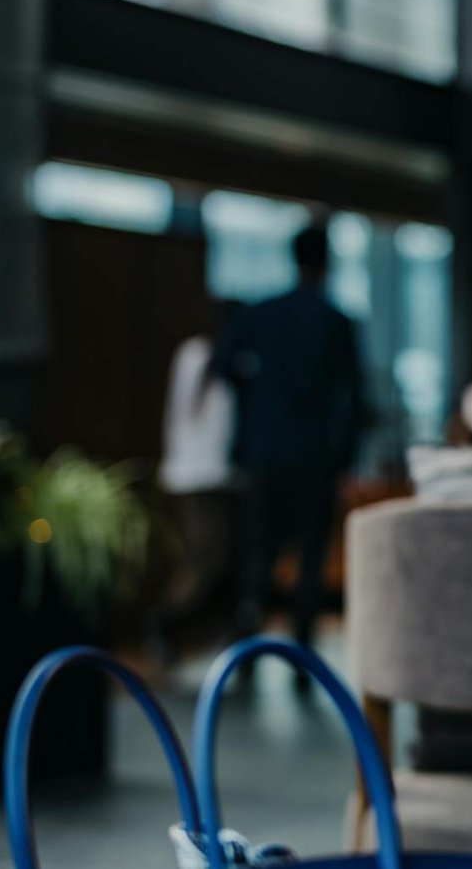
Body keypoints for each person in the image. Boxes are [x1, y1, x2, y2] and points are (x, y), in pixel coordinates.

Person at [217, 225, 366, 654]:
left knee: (257, 554)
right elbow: (354, 399)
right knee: (310, 560)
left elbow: (225, 366)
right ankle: (302, 653)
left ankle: (245, 652)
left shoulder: (262, 313)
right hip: (317, 456)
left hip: (264, 451)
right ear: (326, 263)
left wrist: (256, 401)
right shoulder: (336, 321)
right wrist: (346, 460)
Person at [151, 299, 243, 664]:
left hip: (223, 476)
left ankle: (206, 628)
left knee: (222, 555)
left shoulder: (233, 362)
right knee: (206, 554)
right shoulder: (196, 355)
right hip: (193, 474)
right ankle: (164, 620)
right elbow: (184, 415)